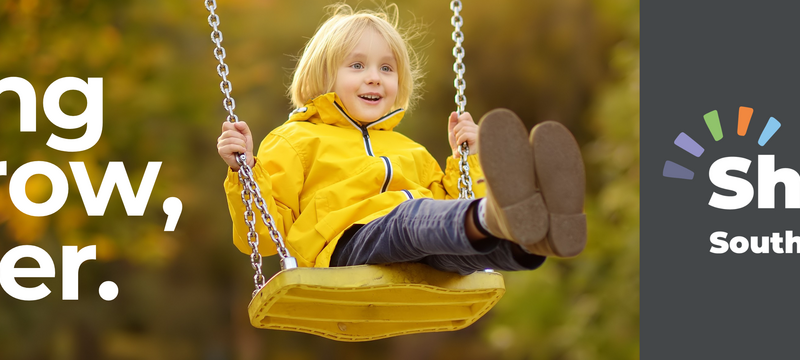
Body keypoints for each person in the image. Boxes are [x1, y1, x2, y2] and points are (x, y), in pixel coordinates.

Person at [217, 4, 586, 275]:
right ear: (322, 76)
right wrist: (244, 170)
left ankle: (534, 236)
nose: (375, 77)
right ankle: (497, 213)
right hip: (346, 245)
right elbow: (262, 238)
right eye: (357, 65)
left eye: (387, 68)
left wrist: (468, 159)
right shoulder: (294, 140)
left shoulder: (412, 151)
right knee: (409, 219)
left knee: (467, 251)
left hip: (419, 250)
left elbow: (451, 209)